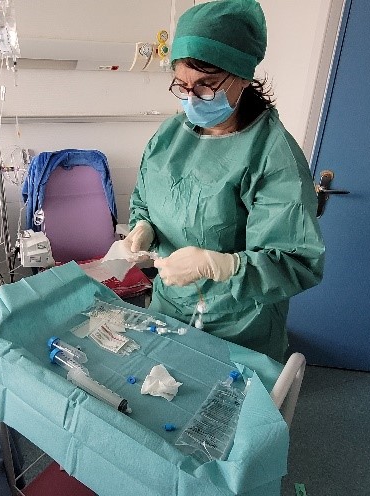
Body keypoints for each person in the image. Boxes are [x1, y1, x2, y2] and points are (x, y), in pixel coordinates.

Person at [124, 0, 325, 363]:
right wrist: (144, 226)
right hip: (170, 306)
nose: (192, 99)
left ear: (243, 77)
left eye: (206, 86)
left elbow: (295, 262)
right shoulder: (169, 136)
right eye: (182, 86)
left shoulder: (272, 155)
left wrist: (220, 266)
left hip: (240, 322)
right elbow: (145, 197)